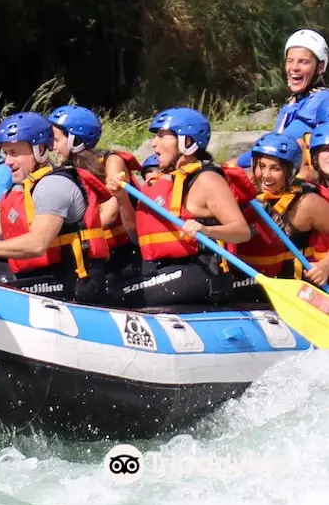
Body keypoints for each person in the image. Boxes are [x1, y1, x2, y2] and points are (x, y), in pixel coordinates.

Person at [0, 112, 111, 304]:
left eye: (15, 153)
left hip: (73, 282)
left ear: (40, 149)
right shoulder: (20, 189)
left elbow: (37, 244)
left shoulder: (53, 186)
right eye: (6, 153)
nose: (7, 162)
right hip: (40, 278)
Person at [105, 107, 252, 308]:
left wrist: (205, 230)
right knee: (107, 282)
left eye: (162, 136)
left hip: (202, 271)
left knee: (114, 296)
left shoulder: (207, 179)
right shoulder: (162, 183)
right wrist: (121, 198)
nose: (154, 143)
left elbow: (242, 231)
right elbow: (136, 237)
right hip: (167, 269)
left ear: (187, 142)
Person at [48, 104, 142, 285]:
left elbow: (109, 214)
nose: (52, 146)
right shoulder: (67, 171)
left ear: (75, 141)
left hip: (124, 252)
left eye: (56, 139)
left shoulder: (112, 162)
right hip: (93, 253)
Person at [233, 132, 329, 301]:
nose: (265, 175)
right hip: (248, 283)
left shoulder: (307, 203)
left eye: (275, 168)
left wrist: (325, 266)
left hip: (292, 291)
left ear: (290, 171)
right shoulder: (247, 190)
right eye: (261, 166)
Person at [275, 29, 329, 178]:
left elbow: (282, 144)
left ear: (319, 67)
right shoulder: (292, 103)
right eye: (290, 60)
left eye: (303, 62)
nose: (294, 68)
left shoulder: (322, 99)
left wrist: (238, 161)